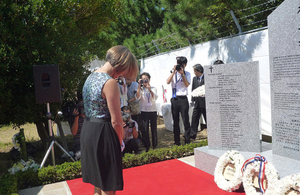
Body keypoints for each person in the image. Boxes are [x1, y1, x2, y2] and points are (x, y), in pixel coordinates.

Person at [81, 45, 138, 195]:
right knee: (108, 183)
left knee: (97, 182)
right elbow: (116, 121)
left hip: (88, 131)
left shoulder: (90, 76)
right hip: (104, 134)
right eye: (127, 70)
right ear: (122, 65)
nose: (126, 74)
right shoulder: (110, 82)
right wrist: (119, 142)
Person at [166, 56, 191, 145]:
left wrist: (182, 74)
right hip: (174, 99)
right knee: (175, 121)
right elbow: (168, 82)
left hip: (183, 99)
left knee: (185, 120)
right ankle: (177, 142)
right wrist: (173, 72)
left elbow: (187, 84)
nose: (180, 66)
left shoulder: (187, 73)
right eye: (178, 64)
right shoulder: (173, 73)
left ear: (185, 65)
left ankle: (187, 141)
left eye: (182, 65)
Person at [136, 72, 158, 151]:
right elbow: (137, 97)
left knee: (154, 128)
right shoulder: (140, 89)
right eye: (143, 80)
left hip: (153, 110)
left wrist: (150, 90)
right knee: (145, 129)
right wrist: (139, 86)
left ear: (149, 80)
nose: (145, 82)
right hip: (144, 111)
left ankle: (155, 144)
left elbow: (155, 98)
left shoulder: (153, 88)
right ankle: (147, 146)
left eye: (146, 79)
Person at [190, 64, 206, 140]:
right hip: (197, 102)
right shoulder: (194, 79)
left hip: (205, 102)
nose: (194, 72)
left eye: (195, 71)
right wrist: (192, 100)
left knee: (207, 118)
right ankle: (192, 134)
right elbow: (193, 89)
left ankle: (212, 133)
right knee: (194, 118)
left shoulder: (207, 78)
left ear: (199, 71)